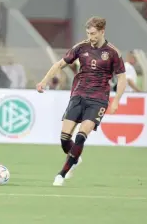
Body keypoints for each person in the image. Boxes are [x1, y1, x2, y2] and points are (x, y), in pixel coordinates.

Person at [36, 16, 127, 186]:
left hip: (98, 99)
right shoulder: (80, 47)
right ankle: (75, 158)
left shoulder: (113, 52)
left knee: (80, 136)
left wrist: (116, 102)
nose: (90, 37)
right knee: (64, 138)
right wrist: (44, 81)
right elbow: (59, 65)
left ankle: (61, 174)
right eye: (88, 33)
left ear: (102, 32)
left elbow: (122, 79)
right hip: (78, 95)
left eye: (93, 34)